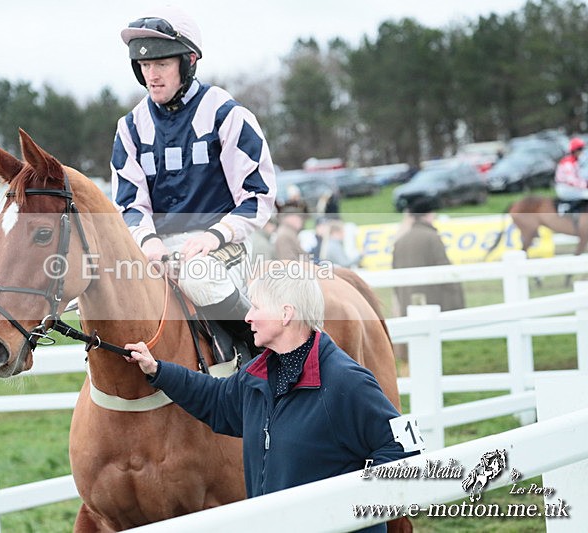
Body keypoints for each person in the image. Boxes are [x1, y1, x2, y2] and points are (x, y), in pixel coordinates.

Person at [124, 262, 416, 532]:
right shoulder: (258, 374)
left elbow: (405, 447)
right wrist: (157, 369)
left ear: (286, 314)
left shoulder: (348, 381)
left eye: (257, 307)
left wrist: (351, 509)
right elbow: (215, 399)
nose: (248, 316)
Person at [111, 6, 276, 351]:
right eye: (144, 66)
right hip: (154, 248)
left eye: (161, 64)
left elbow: (258, 197)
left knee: (197, 277)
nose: (151, 75)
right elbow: (128, 203)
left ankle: (265, 353)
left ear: (189, 61)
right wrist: (148, 241)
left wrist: (214, 237)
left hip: (220, 244)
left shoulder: (227, 114)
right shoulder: (129, 128)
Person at [392, 197, 465, 316]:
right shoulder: (432, 237)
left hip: (407, 303)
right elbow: (444, 269)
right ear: (429, 215)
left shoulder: (400, 241)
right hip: (433, 304)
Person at [554, 137, 588, 211]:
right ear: (574, 151)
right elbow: (571, 180)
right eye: (580, 149)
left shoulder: (575, 161)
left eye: (582, 149)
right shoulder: (568, 162)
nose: (581, 151)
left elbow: (580, 177)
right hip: (564, 188)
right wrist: (585, 185)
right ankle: (566, 209)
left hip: (570, 187)